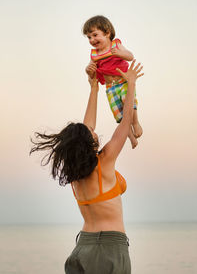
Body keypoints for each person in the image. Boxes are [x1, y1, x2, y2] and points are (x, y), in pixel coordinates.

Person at [30, 60, 143, 274]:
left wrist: (94, 88)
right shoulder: (105, 161)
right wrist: (131, 84)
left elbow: (87, 127)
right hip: (109, 249)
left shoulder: (75, 174)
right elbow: (126, 120)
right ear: (87, 143)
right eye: (90, 132)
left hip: (82, 249)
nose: (93, 130)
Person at [83, 15, 143, 149]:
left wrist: (119, 54)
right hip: (110, 87)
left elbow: (130, 56)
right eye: (89, 37)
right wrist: (88, 70)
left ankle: (136, 123)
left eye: (94, 35)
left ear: (107, 33)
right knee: (119, 114)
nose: (92, 40)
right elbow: (92, 72)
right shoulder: (94, 55)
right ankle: (131, 138)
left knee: (129, 105)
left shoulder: (115, 45)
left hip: (123, 81)